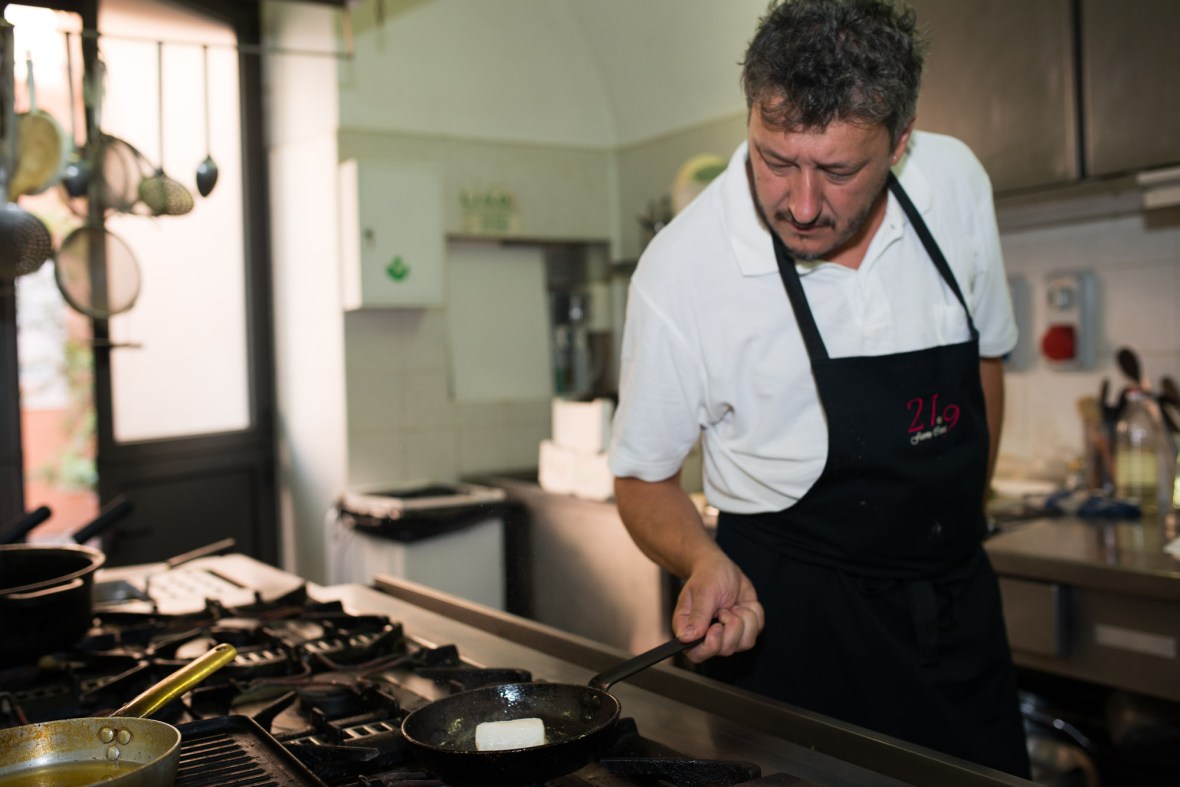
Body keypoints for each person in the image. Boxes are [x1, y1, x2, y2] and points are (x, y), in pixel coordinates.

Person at [607, 0, 1030, 777]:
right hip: (793, 637)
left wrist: (953, 518)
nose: (801, 205)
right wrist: (702, 559)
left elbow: (986, 363)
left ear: (900, 143)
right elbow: (641, 478)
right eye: (775, 160)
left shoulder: (955, 183)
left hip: (957, 614)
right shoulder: (683, 268)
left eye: (838, 171)